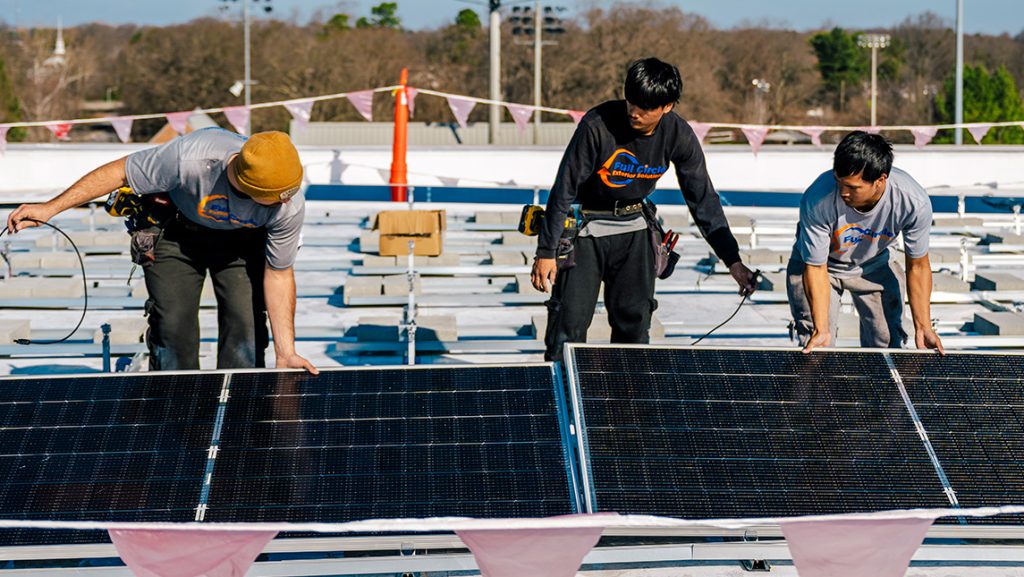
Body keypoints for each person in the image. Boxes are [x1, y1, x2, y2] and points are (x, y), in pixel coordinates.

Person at [7, 128, 319, 374]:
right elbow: (120, 172)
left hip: (240, 243)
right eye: (277, 198)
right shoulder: (190, 158)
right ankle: (175, 414)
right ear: (250, 188)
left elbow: (279, 274)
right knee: (174, 327)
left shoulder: (287, 208)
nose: (284, 202)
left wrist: (286, 351)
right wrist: (50, 208)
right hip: (176, 233)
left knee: (245, 325)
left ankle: (238, 415)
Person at [531, 57, 758, 362]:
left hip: (635, 228)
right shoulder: (597, 124)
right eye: (631, 102)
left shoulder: (678, 134)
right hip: (583, 228)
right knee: (568, 325)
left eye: (646, 108)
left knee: (635, 327)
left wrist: (732, 260)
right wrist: (546, 252)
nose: (634, 113)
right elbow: (564, 188)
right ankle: (564, 404)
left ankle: (627, 405)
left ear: (667, 106)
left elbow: (702, 198)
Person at [787, 130, 944, 355]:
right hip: (821, 268)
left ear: (880, 180)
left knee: (888, 341)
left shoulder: (912, 202)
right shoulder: (817, 199)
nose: (843, 193)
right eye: (839, 182)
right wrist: (821, 329)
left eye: (853, 187)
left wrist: (924, 326)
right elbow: (815, 267)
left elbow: (918, 266)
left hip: (875, 265)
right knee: (817, 345)